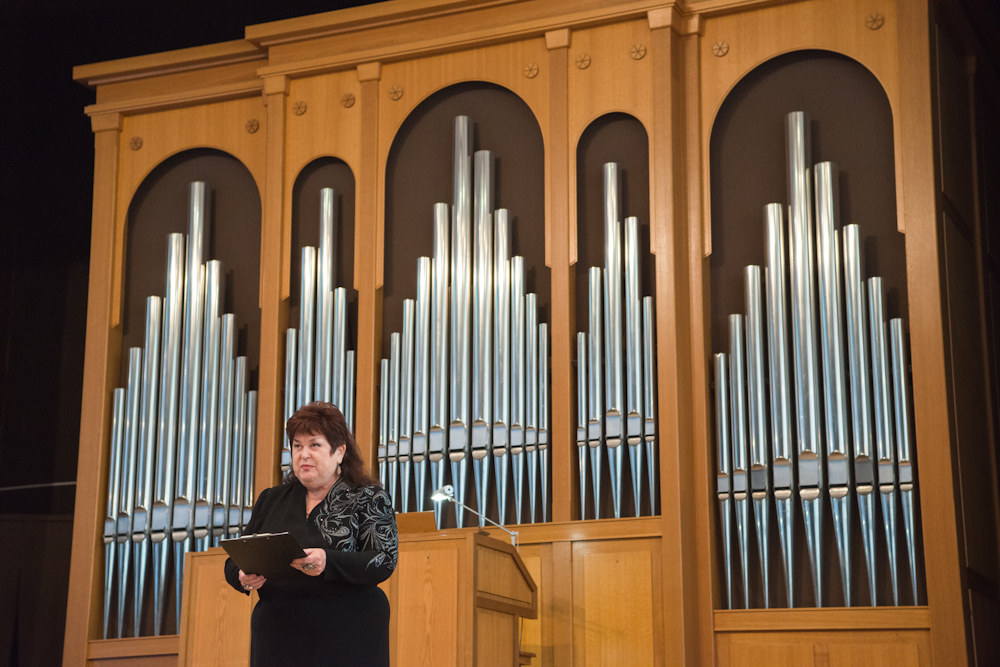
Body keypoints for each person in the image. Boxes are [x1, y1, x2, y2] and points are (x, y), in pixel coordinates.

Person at [224, 401, 397, 666]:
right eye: (297, 446)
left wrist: (329, 561)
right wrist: (242, 576)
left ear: (339, 452)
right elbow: (234, 560)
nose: (304, 454)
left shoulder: (369, 497)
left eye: (314, 445)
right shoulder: (271, 499)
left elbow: (383, 559)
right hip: (278, 634)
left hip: (348, 632)